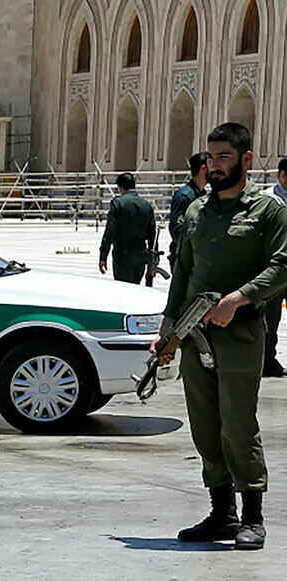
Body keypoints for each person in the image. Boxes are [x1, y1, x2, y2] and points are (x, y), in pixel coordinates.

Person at [155, 123, 287, 551]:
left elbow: (283, 265)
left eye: (224, 157)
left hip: (242, 335)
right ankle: (221, 514)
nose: (214, 166)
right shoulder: (196, 212)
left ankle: (253, 516)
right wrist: (168, 329)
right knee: (206, 427)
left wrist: (240, 298)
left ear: (246, 160)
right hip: (196, 335)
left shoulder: (268, 212)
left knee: (237, 424)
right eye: (210, 158)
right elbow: (184, 273)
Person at [99, 172, 156, 284]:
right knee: (136, 289)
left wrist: (103, 256)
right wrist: (152, 261)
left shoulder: (118, 203)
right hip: (140, 255)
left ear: (120, 187)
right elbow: (152, 236)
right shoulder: (146, 205)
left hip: (123, 255)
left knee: (123, 291)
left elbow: (110, 232)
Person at [261, 157, 287, 376]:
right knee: (270, 316)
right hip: (274, 267)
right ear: (279, 175)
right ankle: (267, 359)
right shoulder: (267, 199)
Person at [168, 153, 209, 269]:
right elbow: (176, 228)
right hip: (185, 259)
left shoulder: (202, 195)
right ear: (203, 169)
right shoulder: (185, 196)